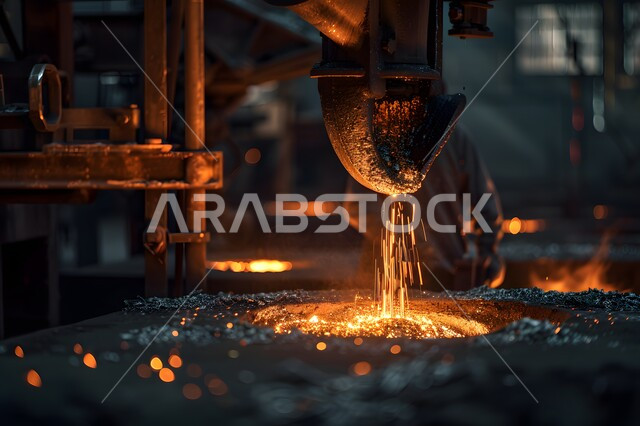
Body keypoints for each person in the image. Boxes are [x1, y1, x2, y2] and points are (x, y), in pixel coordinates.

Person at [346, 124, 505, 291]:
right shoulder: (377, 136)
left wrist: (488, 252)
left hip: (444, 270)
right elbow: (358, 206)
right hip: (393, 273)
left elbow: (484, 204)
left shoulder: (452, 136)